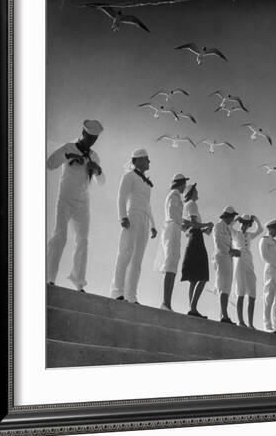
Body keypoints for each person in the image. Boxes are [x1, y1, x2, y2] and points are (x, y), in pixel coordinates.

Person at [46, 119, 105, 291]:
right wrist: (68, 156)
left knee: (83, 241)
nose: (92, 141)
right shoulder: (68, 147)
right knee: (60, 236)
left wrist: (98, 169)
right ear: (83, 133)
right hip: (65, 198)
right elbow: (50, 164)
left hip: (83, 202)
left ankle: (79, 282)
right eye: (90, 137)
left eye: (95, 138)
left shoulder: (95, 156)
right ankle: (49, 277)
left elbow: (102, 181)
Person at [109, 149, 157, 304]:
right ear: (137, 160)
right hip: (133, 216)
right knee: (125, 253)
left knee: (137, 260)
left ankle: (131, 295)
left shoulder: (146, 183)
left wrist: (153, 225)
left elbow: (148, 206)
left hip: (144, 219)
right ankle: (117, 292)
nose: (149, 162)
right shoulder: (129, 176)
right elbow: (121, 197)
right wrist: (122, 216)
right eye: (147, 159)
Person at [180, 184, 214, 318]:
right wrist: (207, 224)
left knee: (194, 278)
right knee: (203, 276)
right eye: (196, 190)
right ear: (192, 193)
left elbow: (191, 227)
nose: (198, 192)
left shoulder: (188, 205)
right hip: (196, 240)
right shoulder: (192, 204)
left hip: (194, 238)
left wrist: (205, 229)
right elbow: (194, 224)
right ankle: (193, 308)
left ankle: (192, 308)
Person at [158, 173, 189, 311]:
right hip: (171, 230)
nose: (185, 186)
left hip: (175, 229)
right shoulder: (173, 195)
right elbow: (172, 214)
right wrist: (185, 222)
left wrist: (182, 225)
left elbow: (176, 216)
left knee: (173, 266)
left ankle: (168, 303)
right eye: (183, 183)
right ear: (179, 183)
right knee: (170, 264)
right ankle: (165, 302)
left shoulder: (176, 196)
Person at [231, 214, 263, 329]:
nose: (244, 225)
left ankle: (250, 323)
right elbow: (229, 227)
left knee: (252, 293)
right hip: (239, 260)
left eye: (247, 223)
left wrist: (255, 219)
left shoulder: (249, 235)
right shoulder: (235, 233)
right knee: (240, 291)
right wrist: (236, 219)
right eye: (243, 223)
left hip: (249, 261)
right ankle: (241, 321)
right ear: (240, 223)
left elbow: (260, 229)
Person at [212, 206, 241, 323]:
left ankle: (223, 315)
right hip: (222, 257)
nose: (233, 218)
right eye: (232, 216)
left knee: (227, 287)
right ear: (227, 216)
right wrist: (231, 251)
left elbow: (227, 243)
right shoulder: (218, 226)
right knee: (223, 286)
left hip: (228, 259)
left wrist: (233, 250)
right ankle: (224, 315)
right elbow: (218, 243)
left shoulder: (227, 227)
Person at [259, 219, 276, 334]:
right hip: (270, 271)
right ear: (269, 229)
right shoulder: (264, 240)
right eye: (274, 229)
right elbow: (264, 256)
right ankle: (267, 325)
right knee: (268, 298)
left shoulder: (275, 242)